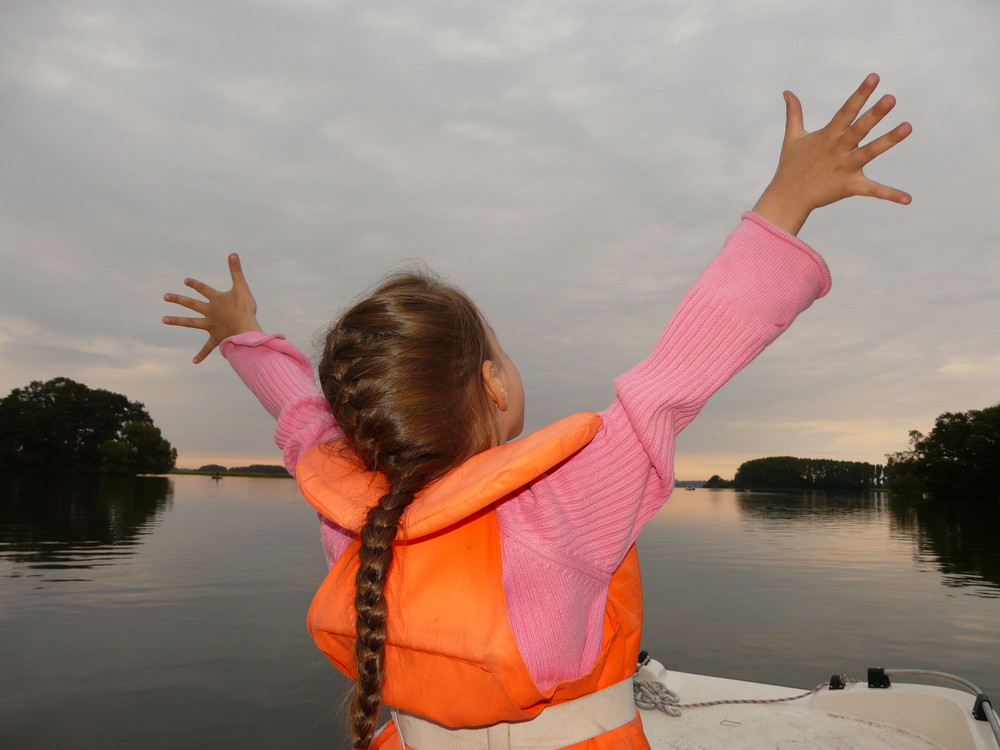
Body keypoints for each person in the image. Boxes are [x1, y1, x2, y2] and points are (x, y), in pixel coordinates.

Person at [163, 74, 911, 750]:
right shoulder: (565, 504)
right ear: (494, 384)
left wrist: (244, 339)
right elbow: (681, 370)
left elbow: (303, 420)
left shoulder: (348, 514)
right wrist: (787, 203)